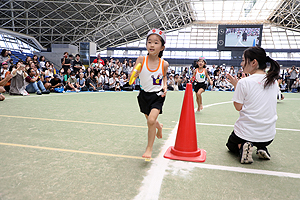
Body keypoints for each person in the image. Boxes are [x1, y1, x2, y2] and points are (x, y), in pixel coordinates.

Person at [226, 46, 280, 164]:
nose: (241, 64)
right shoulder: (273, 81)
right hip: (268, 136)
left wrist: (237, 85)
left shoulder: (244, 82)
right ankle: (262, 147)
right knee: (259, 139)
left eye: (243, 60)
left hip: (245, 133)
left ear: (254, 62)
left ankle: (242, 147)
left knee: (231, 144)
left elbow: (238, 107)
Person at [131, 28, 169, 159]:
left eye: (156, 42)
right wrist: (134, 74)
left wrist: (165, 86)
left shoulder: (164, 64)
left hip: (157, 95)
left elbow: (164, 77)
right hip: (143, 95)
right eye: (149, 42)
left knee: (151, 120)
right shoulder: (141, 59)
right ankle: (160, 126)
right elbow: (134, 74)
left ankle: (149, 148)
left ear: (162, 47)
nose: (152, 45)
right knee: (150, 120)